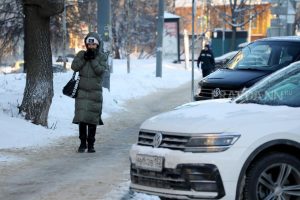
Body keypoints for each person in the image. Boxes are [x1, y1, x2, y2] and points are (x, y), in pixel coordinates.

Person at [71, 32, 108, 153]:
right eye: (89, 44)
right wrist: (84, 58)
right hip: (81, 92)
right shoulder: (81, 54)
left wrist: (92, 60)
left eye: (93, 45)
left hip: (95, 93)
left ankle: (91, 144)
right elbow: (74, 67)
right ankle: (82, 143)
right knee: (81, 119)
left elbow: (101, 71)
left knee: (92, 119)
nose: (91, 46)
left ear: (97, 45)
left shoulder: (102, 57)